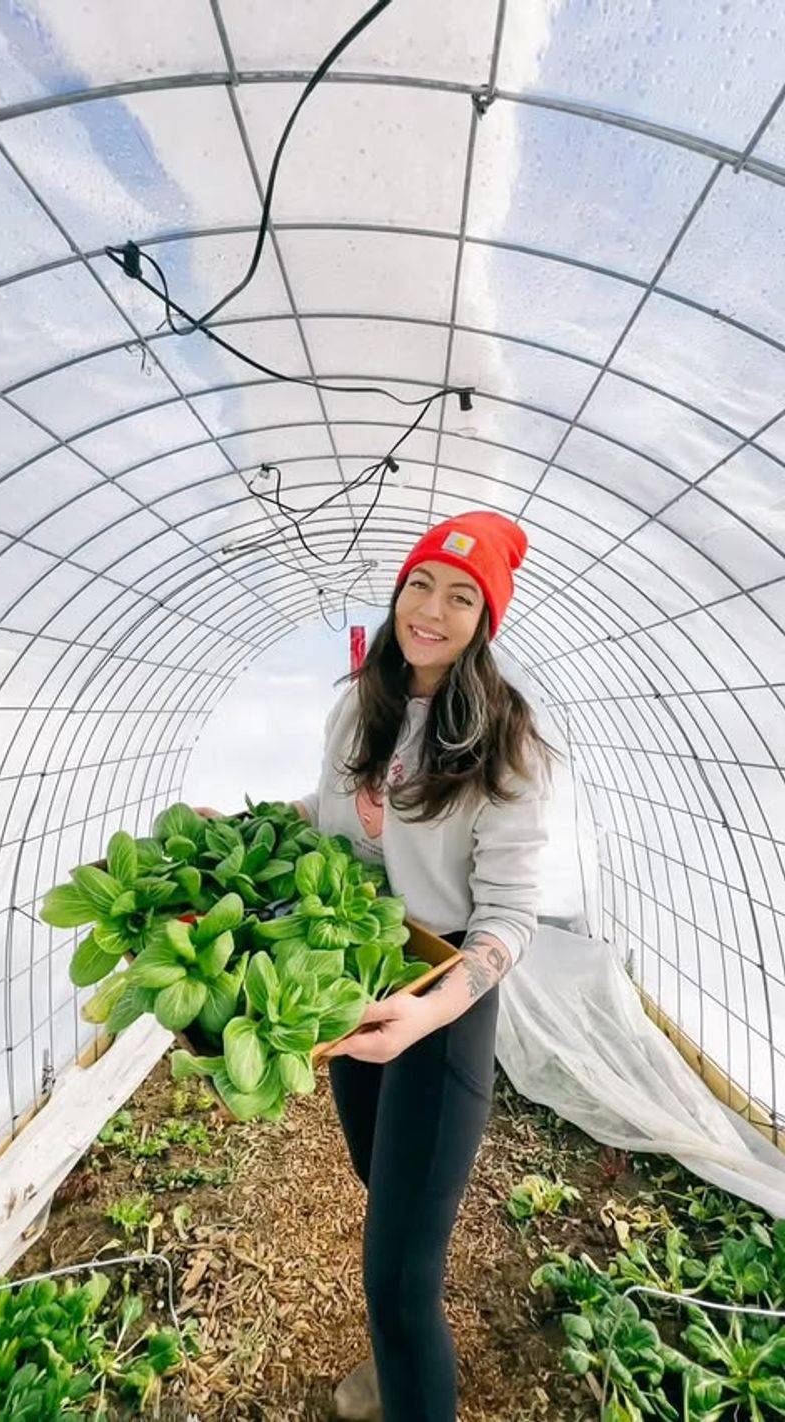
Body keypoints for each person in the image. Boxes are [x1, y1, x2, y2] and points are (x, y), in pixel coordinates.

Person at [198, 510, 553, 1422]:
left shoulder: (506, 744)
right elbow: (324, 817)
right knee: (375, 1174)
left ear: (486, 619)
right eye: (420, 584)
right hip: (359, 978)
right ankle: (399, 1362)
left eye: (461, 596)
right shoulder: (359, 703)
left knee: (395, 1278)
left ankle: (406, 1366)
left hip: (439, 1004)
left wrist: (432, 1014)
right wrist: (237, 835)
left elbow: (510, 918)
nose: (431, 609)